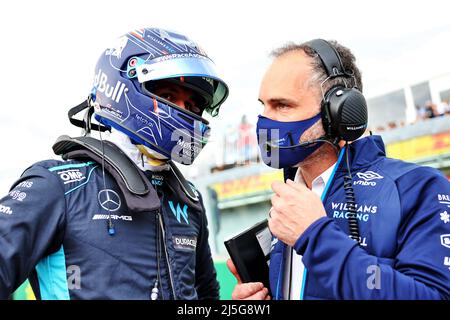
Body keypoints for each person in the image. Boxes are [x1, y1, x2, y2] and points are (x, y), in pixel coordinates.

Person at [0, 27, 229, 300]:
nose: (183, 110)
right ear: (121, 88)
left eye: (192, 106)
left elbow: (206, 298)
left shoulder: (189, 199)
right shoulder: (58, 186)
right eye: (168, 96)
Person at [228, 39, 450, 299]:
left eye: (282, 105)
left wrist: (316, 236)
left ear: (339, 112)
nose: (265, 120)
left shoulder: (419, 188)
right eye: (263, 106)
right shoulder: (289, 198)